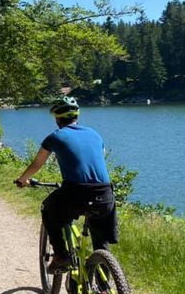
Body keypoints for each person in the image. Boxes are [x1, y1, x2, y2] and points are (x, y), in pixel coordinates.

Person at [14, 96, 118, 273]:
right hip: (105, 194)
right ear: (76, 116)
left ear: (57, 118)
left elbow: (37, 163)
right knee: (100, 242)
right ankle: (106, 289)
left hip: (75, 193)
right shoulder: (95, 134)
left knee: (48, 208)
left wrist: (22, 180)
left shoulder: (55, 137)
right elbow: (100, 155)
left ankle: (61, 255)